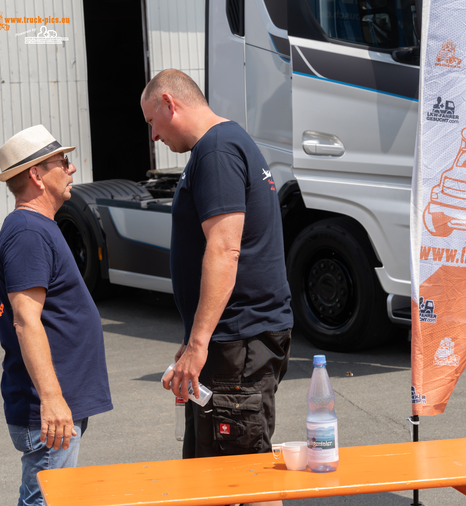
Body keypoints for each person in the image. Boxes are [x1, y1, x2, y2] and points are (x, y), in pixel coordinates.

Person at [141, 69, 292, 506]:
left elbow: (225, 250)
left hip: (236, 344)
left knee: (237, 476)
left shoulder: (217, 152)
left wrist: (199, 342)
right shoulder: (225, 144)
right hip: (237, 341)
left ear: (170, 103)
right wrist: (194, 338)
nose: (153, 136)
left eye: (152, 121)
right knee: (231, 472)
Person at [0, 125, 113, 506]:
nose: (72, 169)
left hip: (60, 404)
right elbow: (26, 320)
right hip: (50, 409)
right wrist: (52, 398)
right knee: (46, 502)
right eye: (62, 161)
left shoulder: (38, 227)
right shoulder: (28, 232)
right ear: (36, 175)